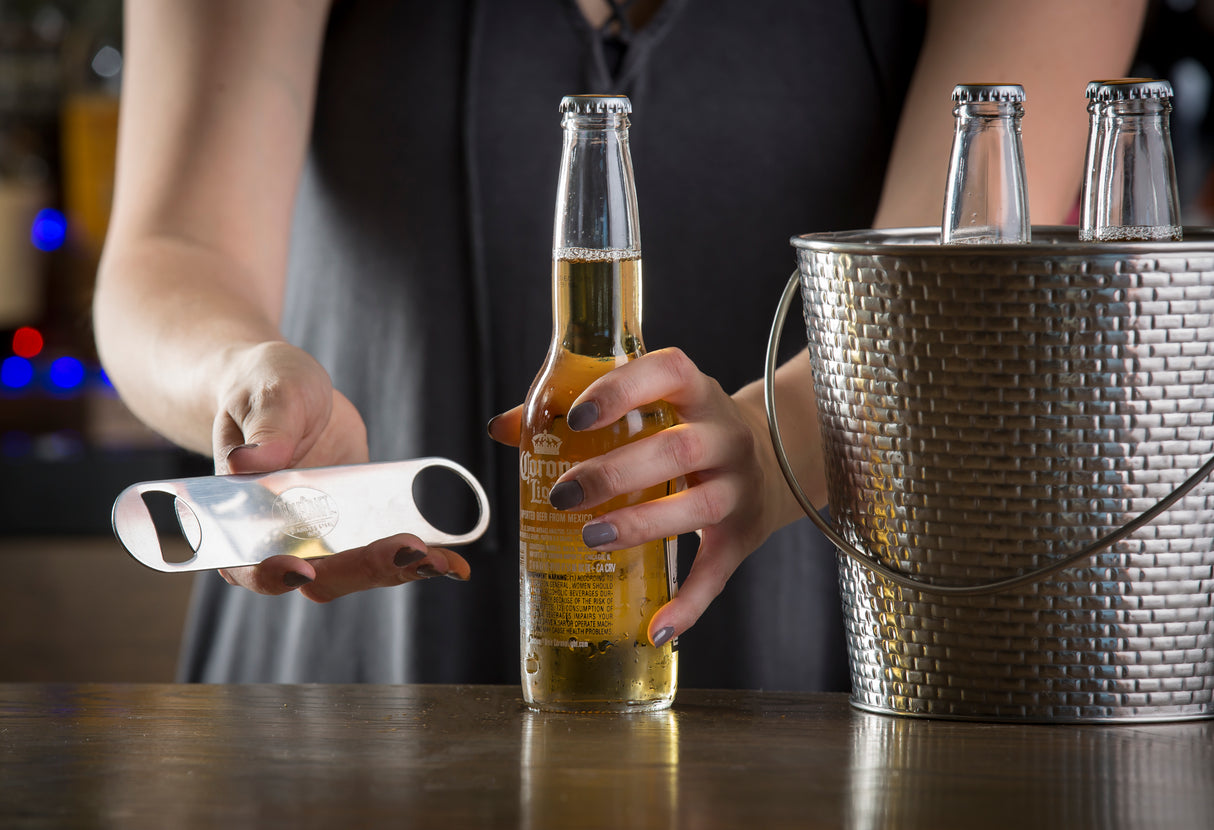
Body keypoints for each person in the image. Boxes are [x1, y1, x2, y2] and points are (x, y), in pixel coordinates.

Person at [94, 0, 1147, 685]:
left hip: (807, 701)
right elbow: (169, 254)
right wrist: (243, 383)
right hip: (341, 681)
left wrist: (766, 440)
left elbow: (967, 284)